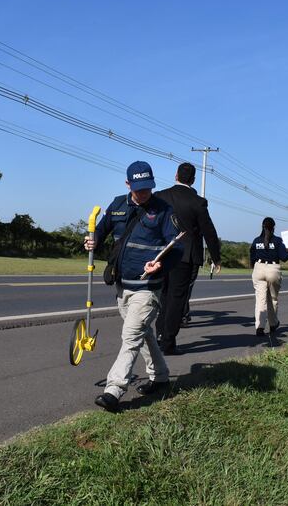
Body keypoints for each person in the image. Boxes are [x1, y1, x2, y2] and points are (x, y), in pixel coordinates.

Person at [84, 161, 183, 412]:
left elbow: (177, 249)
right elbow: (101, 231)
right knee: (144, 333)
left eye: (148, 188)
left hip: (148, 287)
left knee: (130, 336)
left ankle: (114, 390)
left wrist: (160, 265)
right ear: (128, 184)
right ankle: (160, 377)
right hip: (122, 285)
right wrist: (91, 241)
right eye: (138, 188)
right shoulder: (117, 205)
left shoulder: (163, 210)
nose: (143, 193)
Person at [154, 162, 221, 355]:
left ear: (176, 175)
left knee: (163, 294)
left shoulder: (160, 196)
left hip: (162, 254)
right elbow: (209, 232)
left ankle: (159, 335)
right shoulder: (198, 202)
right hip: (185, 256)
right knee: (177, 298)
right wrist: (216, 258)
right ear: (193, 180)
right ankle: (168, 342)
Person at [250, 217, 288, 337]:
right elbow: (284, 257)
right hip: (273, 269)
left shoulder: (256, 240)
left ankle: (259, 327)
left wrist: (255, 267)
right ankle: (273, 324)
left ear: (262, 226)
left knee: (260, 300)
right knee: (273, 299)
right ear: (273, 228)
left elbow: (252, 257)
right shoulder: (278, 241)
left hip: (258, 268)